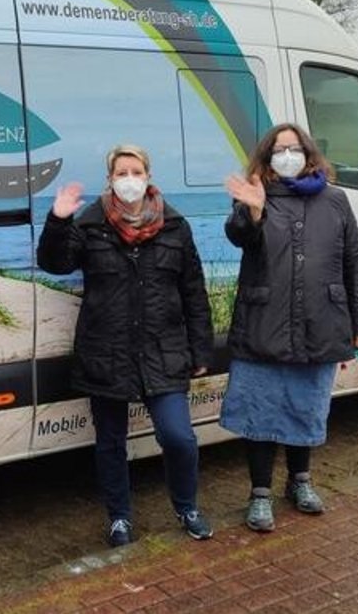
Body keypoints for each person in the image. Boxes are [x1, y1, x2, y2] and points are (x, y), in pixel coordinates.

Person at [37, 144, 215, 548]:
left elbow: (194, 291)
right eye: (122, 172)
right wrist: (58, 219)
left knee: (178, 437)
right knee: (111, 443)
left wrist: (200, 350)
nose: (129, 179)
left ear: (148, 175)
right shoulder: (91, 222)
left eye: (136, 171)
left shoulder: (175, 225)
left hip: (163, 350)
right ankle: (119, 518)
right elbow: (54, 263)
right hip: (106, 351)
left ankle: (186, 506)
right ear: (111, 178)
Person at [221, 123, 358, 533]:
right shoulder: (256, 196)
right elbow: (239, 236)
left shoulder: (336, 200)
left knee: (306, 407)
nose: (286, 155)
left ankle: (300, 481)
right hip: (264, 324)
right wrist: (252, 212)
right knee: (261, 412)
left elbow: (355, 262)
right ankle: (259, 493)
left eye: (294, 148)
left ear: (309, 153)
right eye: (278, 149)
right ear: (266, 156)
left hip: (320, 321)